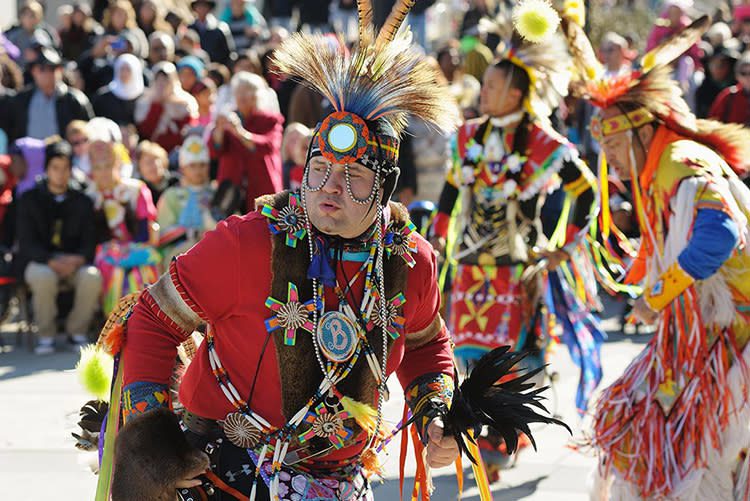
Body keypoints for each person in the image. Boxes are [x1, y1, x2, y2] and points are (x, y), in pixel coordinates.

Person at [106, 3, 464, 498]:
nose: (328, 188)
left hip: (340, 480)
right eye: (319, 169)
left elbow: (426, 345)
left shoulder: (409, 260)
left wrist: (436, 416)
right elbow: (151, 318)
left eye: (352, 176)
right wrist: (155, 450)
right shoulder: (246, 242)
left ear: (387, 188)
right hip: (226, 471)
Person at [561, 14, 750, 499]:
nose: (611, 160)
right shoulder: (657, 171)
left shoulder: (681, 162)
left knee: (694, 455)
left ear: (642, 130)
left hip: (731, 340)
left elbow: (720, 235)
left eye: (614, 144)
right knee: (646, 433)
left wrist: (656, 298)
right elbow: (660, 242)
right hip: (705, 340)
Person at [430, 9, 601, 480]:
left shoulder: (543, 144)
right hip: (468, 268)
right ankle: (488, 431)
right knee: (466, 354)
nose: (483, 90)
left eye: (492, 86)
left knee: (508, 360)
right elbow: (449, 193)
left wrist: (563, 247)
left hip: (516, 268)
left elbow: (586, 192)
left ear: (518, 93)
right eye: (483, 86)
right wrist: (438, 237)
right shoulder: (467, 137)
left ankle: (502, 437)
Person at [17, 138, 101, 354]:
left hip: (74, 263)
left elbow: (90, 240)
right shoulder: (29, 199)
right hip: (41, 262)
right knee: (42, 276)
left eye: (65, 168)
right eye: (55, 168)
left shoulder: (82, 201)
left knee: (92, 276)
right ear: (46, 168)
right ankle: (46, 335)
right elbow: (26, 243)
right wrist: (50, 260)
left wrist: (79, 259)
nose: (60, 173)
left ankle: (77, 332)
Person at [86, 129, 159, 315]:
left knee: (142, 271)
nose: (103, 172)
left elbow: (145, 226)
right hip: (106, 249)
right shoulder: (89, 196)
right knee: (113, 269)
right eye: (97, 167)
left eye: (108, 165)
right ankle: (114, 321)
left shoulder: (136, 189)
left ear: (118, 163)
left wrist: (133, 246)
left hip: (138, 246)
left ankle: (148, 318)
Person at [209, 71, 283, 211]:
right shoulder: (229, 117)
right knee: (232, 229)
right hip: (231, 189)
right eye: (238, 92)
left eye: (247, 91)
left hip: (261, 185)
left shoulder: (270, 120)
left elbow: (268, 146)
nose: (242, 96)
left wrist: (240, 132)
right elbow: (215, 150)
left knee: (264, 227)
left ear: (257, 95)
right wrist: (219, 129)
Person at [8, 47, 93, 143]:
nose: (48, 74)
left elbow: (87, 133)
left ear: (60, 70)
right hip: (28, 156)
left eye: (53, 68)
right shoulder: (21, 99)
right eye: (42, 69)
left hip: (63, 156)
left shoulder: (75, 100)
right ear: (33, 71)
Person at [157, 135, 217, 267]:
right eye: (192, 166)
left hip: (217, 250)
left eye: (202, 165)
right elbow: (163, 234)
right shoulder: (171, 195)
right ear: (183, 168)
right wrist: (193, 234)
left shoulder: (217, 193)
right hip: (181, 257)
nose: (198, 170)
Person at [135, 62, 198, 153]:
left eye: (166, 79)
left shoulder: (185, 102)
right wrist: (157, 106)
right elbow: (145, 132)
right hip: (152, 152)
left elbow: (188, 130)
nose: (162, 84)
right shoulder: (145, 102)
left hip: (178, 152)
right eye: (159, 80)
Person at [92, 53, 144, 126]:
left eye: (128, 69)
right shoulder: (103, 96)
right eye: (122, 69)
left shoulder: (145, 97)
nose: (124, 73)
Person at [188, 0, 235, 66]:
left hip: (217, 68)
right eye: (199, 6)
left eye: (204, 6)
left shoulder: (220, 28)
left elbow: (229, 52)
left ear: (209, 8)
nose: (201, 9)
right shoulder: (190, 28)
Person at [709, 51, 750, 126]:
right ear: (737, 75)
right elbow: (713, 122)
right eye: (743, 73)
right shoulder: (729, 95)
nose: (748, 77)